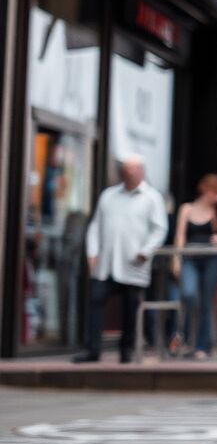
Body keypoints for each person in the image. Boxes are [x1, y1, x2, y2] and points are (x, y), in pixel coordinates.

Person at [74, 155, 168, 364]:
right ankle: (92, 349)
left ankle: (126, 351)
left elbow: (159, 229)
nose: (127, 175)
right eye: (124, 171)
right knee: (96, 302)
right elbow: (95, 226)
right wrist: (92, 252)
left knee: (130, 310)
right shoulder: (108, 195)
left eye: (131, 171)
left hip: (133, 264)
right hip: (106, 264)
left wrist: (146, 250)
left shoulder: (151, 197)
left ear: (141, 172)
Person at [174, 174, 217, 359]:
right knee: (189, 294)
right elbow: (180, 235)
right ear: (206, 190)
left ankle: (202, 345)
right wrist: (176, 258)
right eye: (216, 192)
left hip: (212, 259)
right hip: (190, 257)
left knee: (206, 301)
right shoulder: (187, 209)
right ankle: (189, 338)